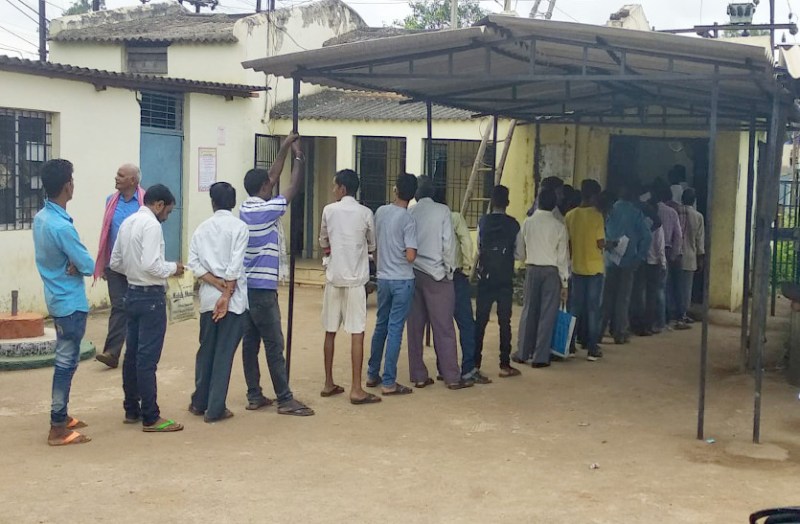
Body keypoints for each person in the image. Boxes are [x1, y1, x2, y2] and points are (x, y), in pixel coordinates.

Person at [239, 133, 314, 416]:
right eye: (269, 184)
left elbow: (271, 176)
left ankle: (254, 394)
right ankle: (284, 398)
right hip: (262, 289)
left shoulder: (247, 207)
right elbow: (292, 188)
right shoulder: (267, 210)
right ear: (263, 188)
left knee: (251, 344)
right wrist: (299, 158)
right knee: (274, 344)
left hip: (247, 288)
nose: (273, 183)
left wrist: (283, 148)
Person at [110, 184, 184, 432]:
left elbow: (115, 262)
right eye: (168, 212)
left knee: (132, 355)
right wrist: (173, 268)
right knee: (146, 359)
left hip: (131, 293)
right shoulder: (151, 225)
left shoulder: (128, 222)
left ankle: (131, 409)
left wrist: (135, 272)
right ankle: (151, 416)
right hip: (150, 296)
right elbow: (152, 265)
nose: (167, 217)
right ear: (159, 205)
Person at [33, 159, 95, 446]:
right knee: (66, 362)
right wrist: (76, 263)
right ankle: (57, 425)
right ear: (67, 186)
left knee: (66, 360)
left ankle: (62, 415)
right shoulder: (62, 227)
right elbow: (87, 264)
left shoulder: (41, 218)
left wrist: (73, 262)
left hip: (56, 297)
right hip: (70, 301)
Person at [186, 182, 249, 423]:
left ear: (213, 202)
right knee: (224, 353)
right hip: (233, 300)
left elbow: (193, 263)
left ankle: (199, 401)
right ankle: (215, 407)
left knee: (206, 350)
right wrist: (227, 291)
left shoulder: (202, 228)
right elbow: (236, 263)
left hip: (209, 297)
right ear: (233, 203)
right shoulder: (239, 227)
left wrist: (215, 283)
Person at [319, 169, 380, 405]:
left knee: (330, 330)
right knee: (357, 332)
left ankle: (328, 382)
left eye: (335, 186)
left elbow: (323, 240)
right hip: (356, 280)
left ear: (342, 188)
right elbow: (372, 245)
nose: (333, 190)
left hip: (334, 277)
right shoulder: (365, 213)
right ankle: (356, 388)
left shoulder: (328, 210)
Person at [407, 176, 473, 390]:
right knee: (444, 327)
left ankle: (418, 374)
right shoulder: (443, 211)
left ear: (416, 194)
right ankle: (451, 376)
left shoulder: (410, 212)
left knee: (415, 328)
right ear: (433, 193)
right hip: (438, 274)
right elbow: (448, 245)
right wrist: (450, 271)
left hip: (414, 272)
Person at [366, 173, 418, 396]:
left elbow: (374, 246)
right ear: (413, 195)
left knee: (381, 325)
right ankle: (389, 381)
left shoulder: (381, 212)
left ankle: (372, 373)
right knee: (395, 329)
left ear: (395, 189)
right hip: (402, 279)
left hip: (384, 277)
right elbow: (411, 256)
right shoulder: (408, 219)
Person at [94, 164, 145, 369]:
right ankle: (112, 352)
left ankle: (139, 350)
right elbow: (106, 231)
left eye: (121, 175)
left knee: (138, 307)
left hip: (137, 265)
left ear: (133, 180)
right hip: (114, 265)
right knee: (119, 306)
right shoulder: (111, 201)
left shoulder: (144, 202)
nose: (116, 178)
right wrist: (104, 262)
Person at [433, 188, 483, 384]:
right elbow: (467, 243)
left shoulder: (429, 220)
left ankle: (443, 368)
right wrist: (468, 267)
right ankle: (468, 368)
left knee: (442, 325)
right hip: (456, 275)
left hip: (436, 277)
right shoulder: (454, 217)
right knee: (466, 324)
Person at [516, 188, 569, 368]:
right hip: (551, 271)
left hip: (532, 268)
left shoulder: (528, 222)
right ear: (554, 204)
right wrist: (565, 282)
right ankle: (540, 356)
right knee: (547, 314)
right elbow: (562, 258)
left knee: (528, 310)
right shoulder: (559, 226)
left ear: (538, 201)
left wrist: (526, 258)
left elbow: (520, 250)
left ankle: (523, 352)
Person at [475, 185, 521, 376]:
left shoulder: (483, 222)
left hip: (485, 277)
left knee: (480, 321)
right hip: (504, 278)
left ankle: (474, 363)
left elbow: (479, 248)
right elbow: (519, 254)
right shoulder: (514, 225)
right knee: (505, 321)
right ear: (507, 202)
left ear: (491, 202)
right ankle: (504, 364)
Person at [601, 184, 652, 344]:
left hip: (610, 260)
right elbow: (647, 237)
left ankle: (599, 330)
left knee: (607, 298)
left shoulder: (609, 210)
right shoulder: (636, 213)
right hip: (628, 261)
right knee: (623, 299)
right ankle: (620, 332)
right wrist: (639, 257)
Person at [564, 179, 605, 361]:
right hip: (595, 268)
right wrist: (610, 244)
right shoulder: (597, 216)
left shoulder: (570, 216)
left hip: (576, 267)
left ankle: (570, 346)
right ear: (595, 195)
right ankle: (592, 348)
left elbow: (568, 244)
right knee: (593, 309)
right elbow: (600, 243)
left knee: (575, 308)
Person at [652, 182, 687, 331]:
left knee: (651, 287)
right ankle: (666, 318)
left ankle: (654, 318)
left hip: (650, 250)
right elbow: (678, 236)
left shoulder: (651, 210)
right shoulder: (672, 212)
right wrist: (674, 254)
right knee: (664, 287)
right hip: (667, 249)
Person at [680, 189, 705, 323]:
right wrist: (700, 259)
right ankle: (683, 314)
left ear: (682, 199)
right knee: (686, 289)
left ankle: (672, 313)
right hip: (690, 256)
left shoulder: (676, 212)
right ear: (694, 201)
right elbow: (699, 241)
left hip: (675, 255)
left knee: (673, 287)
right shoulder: (698, 216)